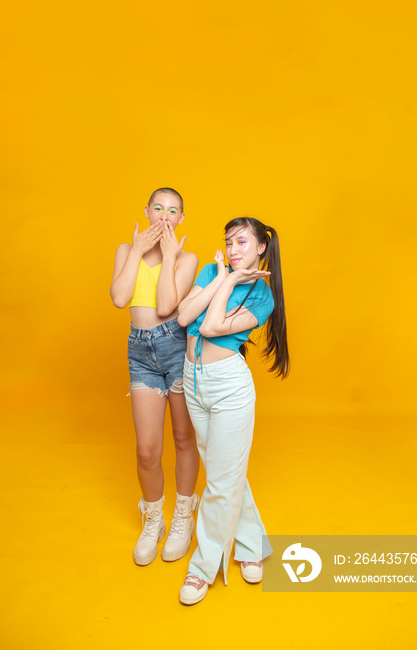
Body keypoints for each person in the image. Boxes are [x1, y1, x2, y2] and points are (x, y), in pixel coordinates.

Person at [176, 216, 290, 605]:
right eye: (228, 243)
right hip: (192, 380)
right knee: (226, 472)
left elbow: (209, 327)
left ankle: (202, 569)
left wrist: (226, 283)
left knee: (221, 482)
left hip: (228, 387)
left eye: (242, 242)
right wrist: (223, 276)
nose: (232, 250)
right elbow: (183, 317)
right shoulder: (211, 269)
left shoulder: (262, 296)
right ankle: (253, 545)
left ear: (261, 248)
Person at [110, 188, 200, 567]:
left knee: (183, 436)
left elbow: (166, 306)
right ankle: (154, 518)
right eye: (158, 208)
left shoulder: (187, 257)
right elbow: (119, 298)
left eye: (173, 211)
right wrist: (135, 251)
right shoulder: (124, 251)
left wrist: (168, 257)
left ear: (181, 219)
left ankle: (183, 514)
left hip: (176, 349)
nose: (165, 215)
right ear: (147, 212)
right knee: (147, 449)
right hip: (141, 353)